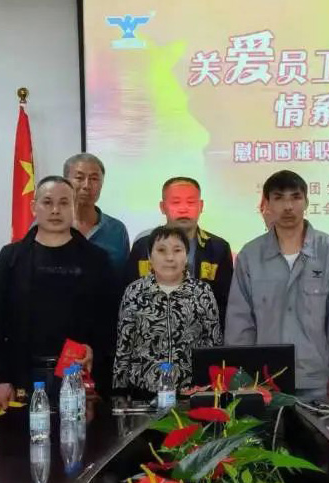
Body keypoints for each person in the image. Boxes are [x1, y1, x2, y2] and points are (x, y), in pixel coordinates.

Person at [0, 176, 118, 409]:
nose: (55, 210)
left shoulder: (96, 259)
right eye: (47, 202)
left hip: (79, 375)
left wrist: (96, 354)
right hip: (22, 377)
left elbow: (109, 319)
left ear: (74, 207)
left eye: (64, 203)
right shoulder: (12, 257)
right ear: (34, 207)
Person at [225, 170, 329, 401]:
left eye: (295, 197)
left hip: (318, 379)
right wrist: (241, 375)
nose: (288, 207)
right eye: (279, 198)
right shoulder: (250, 255)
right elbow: (240, 321)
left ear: (306, 201)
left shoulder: (328, 250)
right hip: (264, 381)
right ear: (267, 204)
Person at [113, 226, 222, 398]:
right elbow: (124, 346)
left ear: (186, 255)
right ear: (150, 256)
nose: (170, 258)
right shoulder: (134, 292)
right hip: (143, 392)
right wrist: (119, 392)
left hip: (191, 392)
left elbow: (213, 343)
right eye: (161, 250)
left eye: (177, 250)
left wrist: (213, 389)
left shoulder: (202, 292)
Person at [125, 177, 233, 327]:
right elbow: (129, 299)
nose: (183, 209)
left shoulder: (218, 248)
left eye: (191, 202)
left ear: (201, 206)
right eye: (176, 202)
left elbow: (225, 303)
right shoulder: (142, 247)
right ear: (162, 207)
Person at [63, 153, 130, 274]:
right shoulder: (47, 226)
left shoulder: (117, 230)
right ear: (65, 182)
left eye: (94, 179)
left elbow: (124, 277)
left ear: (102, 184)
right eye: (79, 178)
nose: (86, 186)